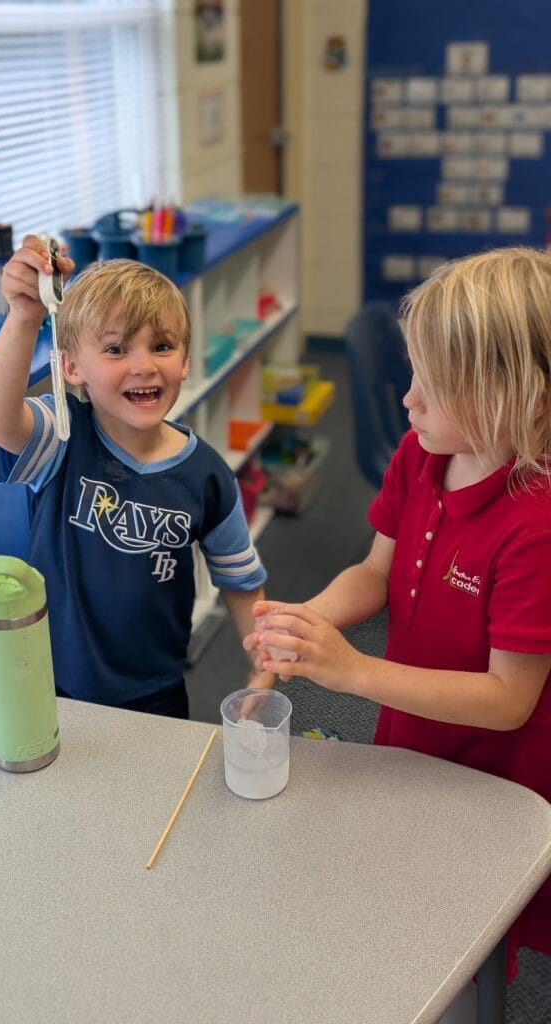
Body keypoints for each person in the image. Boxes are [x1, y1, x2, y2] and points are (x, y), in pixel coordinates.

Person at [244, 245, 551, 980]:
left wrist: (352, 671)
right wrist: (309, 619)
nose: (407, 400)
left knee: (471, 928)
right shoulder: (420, 455)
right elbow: (376, 572)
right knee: (400, 892)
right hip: (408, 730)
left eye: (434, 386)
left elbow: (511, 700)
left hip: (493, 770)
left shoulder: (535, 523)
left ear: (523, 400)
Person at [0, 234, 274, 718]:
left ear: (184, 359)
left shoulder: (207, 476)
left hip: (156, 689)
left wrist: (261, 666)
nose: (143, 366)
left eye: (161, 346)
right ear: (71, 367)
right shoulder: (63, 439)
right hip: (55, 683)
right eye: (115, 350)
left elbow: (241, 581)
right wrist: (25, 316)